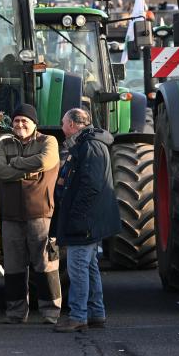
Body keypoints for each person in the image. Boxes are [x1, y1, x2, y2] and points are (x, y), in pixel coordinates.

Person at [0, 103, 61, 325]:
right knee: (13, 267)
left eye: (25, 121)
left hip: (40, 213)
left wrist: (16, 164)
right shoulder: (5, 143)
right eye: (17, 121)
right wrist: (27, 172)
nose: (20, 124)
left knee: (45, 264)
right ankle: (16, 313)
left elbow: (44, 161)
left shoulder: (48, 141)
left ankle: (50, 312)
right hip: (11, 215)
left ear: (34, 124)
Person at [54, 108, 119, 333]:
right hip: (89, 220)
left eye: (63, 123)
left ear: (73, 124)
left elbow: (90, 187)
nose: (62, 128)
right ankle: (96, 313)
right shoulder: (89, 144)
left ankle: (78, 316)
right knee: (89, 267)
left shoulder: (89, 146)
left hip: (85, 222)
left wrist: (77, 217)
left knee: (78, 268)